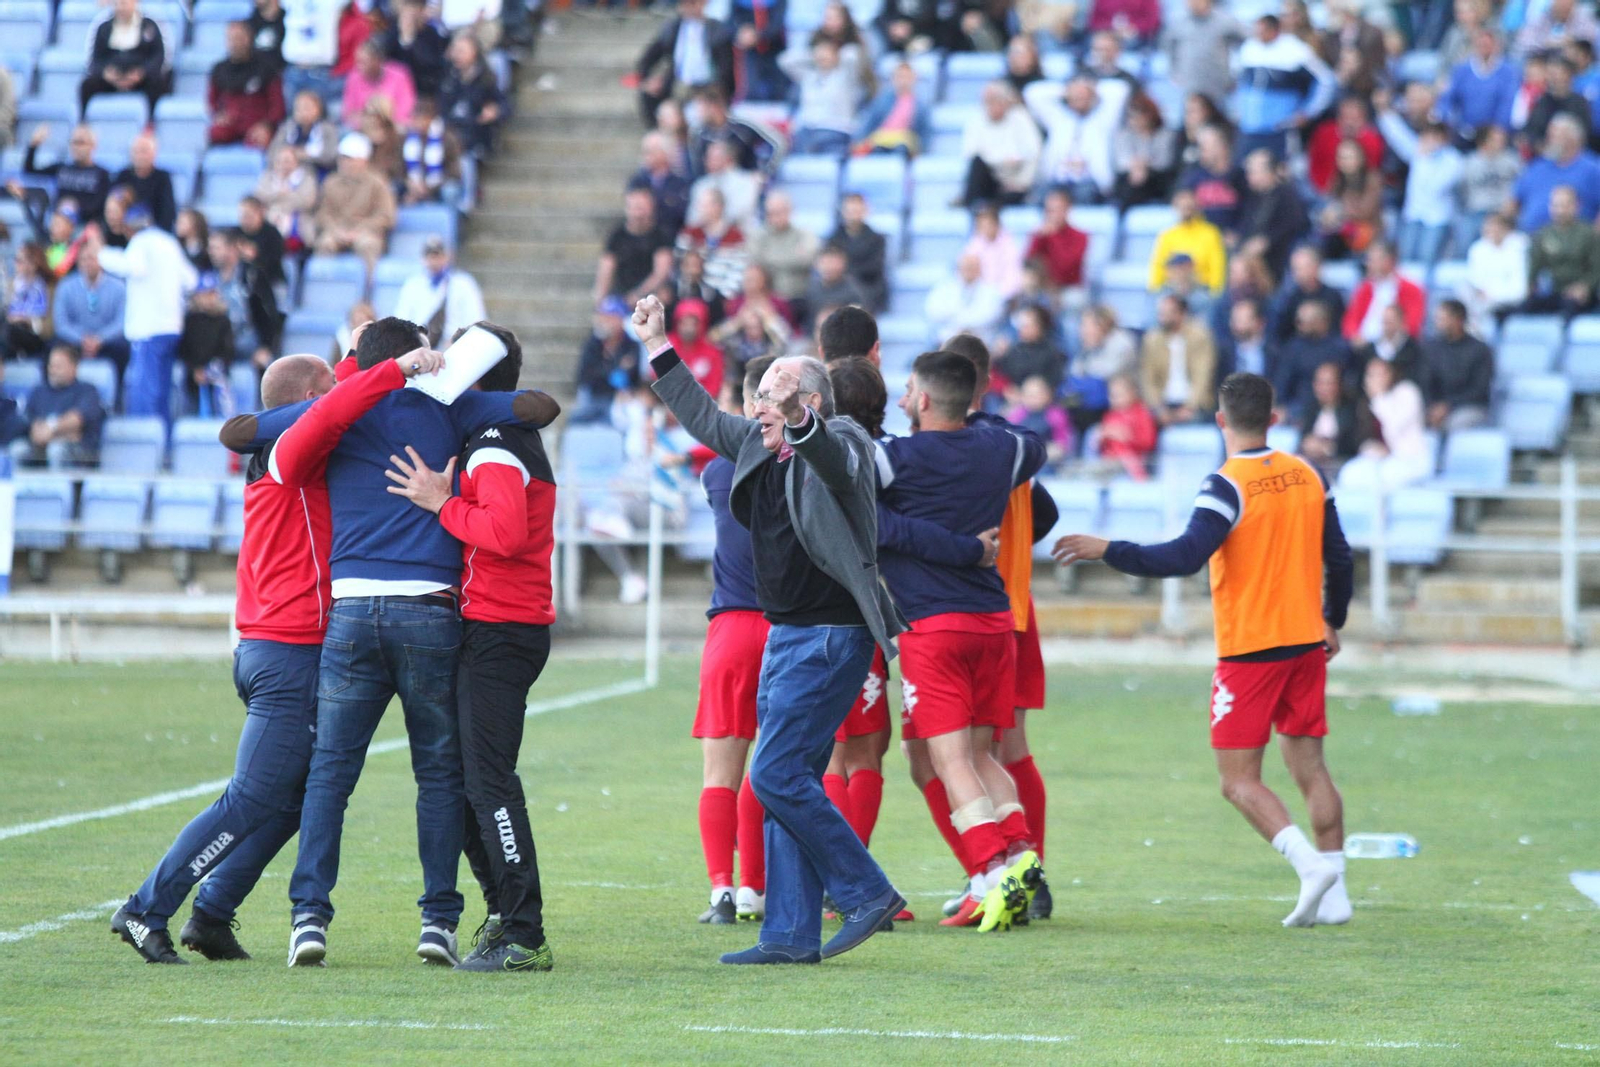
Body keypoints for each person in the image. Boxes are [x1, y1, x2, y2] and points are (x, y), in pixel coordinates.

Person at [227, 318, 560, 968]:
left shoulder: (335, 412)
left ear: (359, 363)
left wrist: (375, 380)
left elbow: (242, 434)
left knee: (330, 773)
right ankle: (438, 923)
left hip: (351, 610)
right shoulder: (450, 406)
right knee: (439, 775)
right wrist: (439, 379)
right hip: (430, 610)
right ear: (422, 359)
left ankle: (308, 919)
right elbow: (537, 407)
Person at [110, 350, 441, 963]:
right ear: (309, 400)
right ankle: (144, 909)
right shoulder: (292, 449)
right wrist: (397, 367)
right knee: (252, 798)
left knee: (295, 802)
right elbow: (337, 407)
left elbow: (336, 398)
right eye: (328, 384)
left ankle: (212, 914)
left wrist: (358, 351)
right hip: (287, 649)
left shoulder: (289, 446)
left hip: (278, 644)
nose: (339, 389)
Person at [635, 293, 907, 965]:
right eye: (759, 395)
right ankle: (788, 935)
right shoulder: (757, 445)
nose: (758, 403)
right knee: (792, 779)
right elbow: (700, 414)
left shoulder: (843, 439)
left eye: (775, 395)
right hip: (786, 634)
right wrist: (657, 344)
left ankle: (866, 890)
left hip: (832, 635)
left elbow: (836, 463)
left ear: (808, 403)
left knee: (776, 773)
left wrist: (800, 420)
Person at [1052, 372, 1355, 929]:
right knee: (1311, 768)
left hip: (1251, 651)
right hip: (1306, 643)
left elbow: (1184, 556)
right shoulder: (1310, 473)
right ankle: (1337, 896)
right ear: (1274, 418)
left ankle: (1310, 866)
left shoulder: (1226, 485)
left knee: (1237, 780)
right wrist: (1332, 618)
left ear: (1220, 420)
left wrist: (1108, 548)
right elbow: (1339, 555)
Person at [381, 324, 559, 974]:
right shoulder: (495, 437)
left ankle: (524, 932)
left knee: (486, 781)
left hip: (502, 628)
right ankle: (506, 915)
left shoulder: (495, 443)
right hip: (495, 625)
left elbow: (504, 533)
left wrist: (441, 501)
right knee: (462, 785)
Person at [877, 350, 1048, 930]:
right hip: (995, 622)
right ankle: (1021, 854)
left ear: (924, 399)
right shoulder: (998, 448)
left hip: (934, 628)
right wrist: (980, 418)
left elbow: (868, 518)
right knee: (979, 754)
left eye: (908, 390)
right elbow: (1035, 445)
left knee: (947, 761)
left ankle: (991, 874)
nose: (902, 399)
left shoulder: (895, 458)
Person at [673, 354, 775, 924]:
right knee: (768, 768)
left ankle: (721, 893)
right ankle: (756, 887)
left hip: (732, 627)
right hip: (787, 626)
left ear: (745, 403)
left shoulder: (717, 471)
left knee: (720, 772)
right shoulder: (801, 468)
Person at [94, 207, 196, 426]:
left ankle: (145, 438)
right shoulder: (169, 242)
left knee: (145, 390)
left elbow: (133, 267)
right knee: (162, 390)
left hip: (149, 329)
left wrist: (100, 253)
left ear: (129, 228)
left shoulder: (141, 242)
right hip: (172, 327)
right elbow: (191, 280)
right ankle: (162, 438)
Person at [1232, 14, 1336, 161]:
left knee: (1280, 168)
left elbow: (1325, 80)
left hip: (1281, 128)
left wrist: (1309, 111)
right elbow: (1238, 82)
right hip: (1250, 128)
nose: (1258, 35)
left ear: (1274, 30)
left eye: (1262, 31)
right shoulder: (1248, 48)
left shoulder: (1295, 50)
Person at [1025, 75, 1127, 204]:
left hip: (1090, 182)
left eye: (1083, 97)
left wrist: (1089, 87)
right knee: (1039, 197)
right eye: (1075, 98)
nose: (1079, 101)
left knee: (1083, 196)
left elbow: (1120, 90)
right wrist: (1067, 89)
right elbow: (1032, 93)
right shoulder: (1059, 119)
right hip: (1057, 181)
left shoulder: (1103, 119)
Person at [633, 0, 735, 125]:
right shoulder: (673, 28)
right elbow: (649, 56)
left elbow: (726, 67)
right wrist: (649, 79)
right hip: (679, 85)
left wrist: (717, 90)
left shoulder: (716, 29)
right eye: (683, 3)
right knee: (658, 103)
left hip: (708, 87)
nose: (686, 7)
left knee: (702, 113)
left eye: (692, 3)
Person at [1340, 358, 1432, 490]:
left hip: (1411, 458)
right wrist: (1368, 446)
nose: (1375, 380)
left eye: (1380, 374)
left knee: (1384, 478)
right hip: (1382, 460)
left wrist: (1378, 398)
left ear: (1391, 373)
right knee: (1349, 474)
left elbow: (1395, 427)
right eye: (1371, 375)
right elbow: (1361, 435)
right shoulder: (1366, 401)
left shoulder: (1407, 391)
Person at [312, 133, 398, 274]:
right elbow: (323, 213)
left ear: (363, 160)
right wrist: (336, 230)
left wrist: (359, 230)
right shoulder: (331, 182)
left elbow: (386, 216)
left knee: (368, 245)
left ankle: (368, 286)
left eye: (349, 159)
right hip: (337, 231)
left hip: (366, 232)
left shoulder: (377, 183)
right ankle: (326, 285)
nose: (345, 163)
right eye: (342, 158)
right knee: (324, 244)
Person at [10, 345, 105, 469]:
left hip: (79, 451)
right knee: (18, 449)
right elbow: (28, 417)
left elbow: (78, 418)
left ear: (74, 367)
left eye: (58, 366)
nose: (53, 370)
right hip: (40, 445)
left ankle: (58, 482)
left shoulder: (87, 391)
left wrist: (51, 429)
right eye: (51, 365)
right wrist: (38, 431)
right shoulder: (39, 391)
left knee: (56, 450)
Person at [52, 244, 129, 387]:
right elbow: (61, 323)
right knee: (53, 346)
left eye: (92, 259)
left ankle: (119, 394)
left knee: (124, 347)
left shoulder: (118, 287)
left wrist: (100, 339)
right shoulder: (66, 286)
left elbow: (122, 322)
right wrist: (82, 339)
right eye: (83, 259)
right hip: (75, 341)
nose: (88, 263)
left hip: (107, 342)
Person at [960, 82, 1043, 208]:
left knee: (1011, 196)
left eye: (996, 100)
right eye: (988, 101)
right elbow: (970, 153)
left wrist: (1022, 182)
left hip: (1016, 182)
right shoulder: (976, 120)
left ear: (1006, 101)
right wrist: (1002, 161)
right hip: (989, 179)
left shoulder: (1021, 118)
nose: (992, 106)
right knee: (977, 165)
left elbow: (1034, 153)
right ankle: (970, 205)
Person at [81, 0, 170, 118]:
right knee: (87, 85)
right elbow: (96, 59)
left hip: (140, 79)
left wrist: (141, 73)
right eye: (116, 4)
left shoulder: (149, 26)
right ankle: (83, 121)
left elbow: (158, 56)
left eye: (123, 3)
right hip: (111, 79)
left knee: (158, 83)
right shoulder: (104, 28)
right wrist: (105, 73)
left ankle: (151, 122)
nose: (120, 8)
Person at [392, 235, 487, 346]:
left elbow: (476, 319)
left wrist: (458, 341)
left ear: (448, 257)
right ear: (423, 259)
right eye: (430, 257)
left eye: (438, 256)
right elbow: (402, 320)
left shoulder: (463, 284)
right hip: (420, 346)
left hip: (454, 346)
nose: (434, 261)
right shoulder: (413, 285)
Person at [1511, 115, 1600, 232]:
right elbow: (1514, 201)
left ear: (1574, 138)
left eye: (1555, 136)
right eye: (1549, 136)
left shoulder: (1593, 169)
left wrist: (1595, 236)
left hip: (1574, 238)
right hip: (1530, 235)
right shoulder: (1537, 166)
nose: (1549, 140)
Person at [1141, 293, 1217, 426]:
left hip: (1195, 404)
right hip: (1163, 403)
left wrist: (1190, 407)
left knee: (1195, 420)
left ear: (1181, 314)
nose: (1162, 317)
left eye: (1167, 313)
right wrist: (1159, 408)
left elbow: (1202, 376)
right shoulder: (1152, 339)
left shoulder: (1200, 336)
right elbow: (1147, 378)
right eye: (1161, 313)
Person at [777, 39, 861, 156]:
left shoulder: (845, 76)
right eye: (819, 53)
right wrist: (813, 55)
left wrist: (835, 53)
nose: (822, 56)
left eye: (827, 52)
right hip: (807, 130)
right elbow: (785, 60)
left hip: (836, 130)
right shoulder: (809, 76)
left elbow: (853, 54)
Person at [1421, 300, 1495, 432]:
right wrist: (1432, 407)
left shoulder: (1480, 350)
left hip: (1468, 407)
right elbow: (1424, 382)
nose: (1437, 323)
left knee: (1454, 425)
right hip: (1434, 406)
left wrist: (1448, 405)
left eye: (1442, 319)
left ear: (1458, 320)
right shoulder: (1431, 347)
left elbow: (1479, 390)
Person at [1525, 184, 1600, 315]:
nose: (1560, 211)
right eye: (1556, 205)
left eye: (1565, 205)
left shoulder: (1589, 234)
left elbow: (1596, 268)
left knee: (1570, 307)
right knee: (1525, 308)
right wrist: (1530, 286)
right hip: (1555, 292)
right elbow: (1534, 267)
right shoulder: (1543, 234)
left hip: (1582, 295)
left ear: (1576, 206)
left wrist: (1585, 286)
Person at [210, 20, 286, 148]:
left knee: (262, 138)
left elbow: (277, 105)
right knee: (216, 133)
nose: (235, 43)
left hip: (257, 123)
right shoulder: (219, 69)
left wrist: (267, 125)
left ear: (249, 38)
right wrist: (219, 115)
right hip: (231, 124)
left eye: (239, 38)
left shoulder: (266, 68)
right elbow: (212, 100)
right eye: (231, 39)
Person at [1237, 150, 1309, 280]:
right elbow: (1246, 225)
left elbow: (1293, 223)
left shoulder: (1286, 194)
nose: (1248, 176)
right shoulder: (1252, 196)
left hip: (1279, 251)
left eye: (1253, 172)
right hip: (1253, 248)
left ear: (1268, 172)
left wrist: (1267, 240)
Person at [1441, 29, 1520, 140]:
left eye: (1488, 45)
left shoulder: (1508, 72)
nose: (1484, 48)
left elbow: (1508, 103)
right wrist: (1447, 119)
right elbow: (1448, 97)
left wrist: (1498, 128)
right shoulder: (1462, 70)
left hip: (1492, 134)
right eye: (1481, 45)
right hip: (1462, 130)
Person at [23, 124, 111, 225]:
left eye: (81, 143)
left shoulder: (102, 174)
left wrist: (74, 210)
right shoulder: (62, 168)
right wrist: (34, 145)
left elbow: (101, 206)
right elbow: (30, 170)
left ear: (93, 145)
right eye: (73, 142)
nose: (76, 147)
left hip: (85, 226)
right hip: (59, 224)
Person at [573, 296, 641, 422]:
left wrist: (609, 371)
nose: (605, 322)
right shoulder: (593, 343)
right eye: (603, 317)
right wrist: (615, 369)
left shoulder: (631, 345)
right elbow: (584, 375)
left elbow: (633, 376)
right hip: (594, 395)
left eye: (611, 317)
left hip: (620, 398)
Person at [1343, 241, 1425, 343]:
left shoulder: (1410, 289)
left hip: (1393, 344)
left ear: (1388, 261)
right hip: (1362, 344)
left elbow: (1412, 325)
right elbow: (1350, 320)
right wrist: (1354, 336)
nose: (1368, 264)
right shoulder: (1365, 288)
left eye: (1373, 260)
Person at [1148, 189, 1226, 294]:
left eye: (1189, 207)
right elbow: (1159, 265)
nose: (1186, 211)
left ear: (1197, 208)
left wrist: (1215, 291)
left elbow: (1217, 266)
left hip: (1201, 288)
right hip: (1173, 288)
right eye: (1182, 207)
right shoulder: (1168, 235)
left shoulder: (1210, 233)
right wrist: (1155, 289)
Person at [439, 32, 505, 159]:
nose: (457, 55)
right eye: (455, 50)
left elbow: (504, 104)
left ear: (474, 53)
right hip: (449, 133)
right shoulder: (447, 75)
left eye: (462, 51)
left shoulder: (486, 79)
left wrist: (495, 111)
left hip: (475, 136)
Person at [1163, 0, 1242, 104]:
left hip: (1218, 83)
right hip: (1190, 83)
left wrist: (1235, 74)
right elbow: (1169, 48)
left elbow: (1246, 43)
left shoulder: (1225, 21)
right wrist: (1174, 73)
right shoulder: (1178, 23)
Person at [748, 191, 819, 305]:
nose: (775, 217)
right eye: (770, 213)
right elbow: (755, 261)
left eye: (779, 212)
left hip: (799, 298)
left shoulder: (804, 234)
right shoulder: (758, 236)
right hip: (767, 299)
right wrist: (793, 257)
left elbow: (807, 260)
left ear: (789, 211)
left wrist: (769, 259)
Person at [1462, 212, 1530, 328]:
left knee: (1480, 310)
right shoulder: (1478, 249)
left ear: (1506, 228)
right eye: (1488, 226)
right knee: (1463, 290)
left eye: (1495, 226)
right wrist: (1482, 293)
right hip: (1482, 299)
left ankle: (1474, 330)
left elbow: (1520, 289)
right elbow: (1475, 280)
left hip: (1508, 299)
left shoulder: (1520, 246)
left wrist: (1492, 295)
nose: (1491, 230)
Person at [1297, 361, 1363, 478]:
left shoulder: (1352, 409)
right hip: (1311, 465)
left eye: (1329, 383)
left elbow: (1352, 444)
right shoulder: (1311, 409)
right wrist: (1308, 444)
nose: (1324, 388)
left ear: (1340, 384)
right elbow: (1304, 438)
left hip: (1342, 467)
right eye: (1320, 383)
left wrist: (1328, 448)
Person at [1113, 93, 1179, 209]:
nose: (1136, 119)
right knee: (1127, 182)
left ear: (1150, 115)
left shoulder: (1165, 135)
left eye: (1140, 114)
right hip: (1131, 177)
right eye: (1132, 115)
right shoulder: (1124, 135)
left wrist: (1145, 165)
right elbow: (1121, 162)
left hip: (1156, 177)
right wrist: (1137, 166)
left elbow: (1165, 162)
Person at [854, 61, 932, 157]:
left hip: (903, 145)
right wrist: (859, 141)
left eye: (907, 77)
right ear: (894, 79)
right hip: (880, 142)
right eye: (900, 77)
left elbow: (924, 133)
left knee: (900, 150)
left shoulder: (921, 106)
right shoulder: (881, 101)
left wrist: (921, 151)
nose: (903, 81)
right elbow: (869, 123)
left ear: (914, 79)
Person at [827, 193, 888, 312]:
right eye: (851, 211)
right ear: (843, 212)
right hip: (838, 287)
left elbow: (874, 267)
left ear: (865, 211)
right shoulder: (834, 239)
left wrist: (844, 271)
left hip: (867, 287)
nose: (854, 215)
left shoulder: (877, 239)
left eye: (857, 211)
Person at [925, 252, 1004, 343]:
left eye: (973, 267)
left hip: (982, 340)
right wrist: (968, 318)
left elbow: (989, 316)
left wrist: (958, 319)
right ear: (958, 268)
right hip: (948, 339)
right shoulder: (943, 288)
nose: (969, 270)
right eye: (966, 267)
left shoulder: (991, 291)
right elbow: (933, 312)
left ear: (980, 269)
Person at [1025, 187, 1089, 296]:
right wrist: (1039, 239)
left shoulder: (1080, 237)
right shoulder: (1040, 235)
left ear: (1068, 209)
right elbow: (1028, 263)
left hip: (1068, 287)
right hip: (1044, 287)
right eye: (1049, 210)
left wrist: (1052, 236)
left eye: (1057, 209)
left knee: (1074, 299)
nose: (1053, 215)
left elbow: (1066, 268)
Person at [256, 144, 320, 253]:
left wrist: (282, 197)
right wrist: (281, 194)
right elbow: (259, 199)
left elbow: (308, 202)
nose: (283, 165)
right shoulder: (266, 178)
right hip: (272, 219)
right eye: (279, 161)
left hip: (300, 223)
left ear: (296, 162)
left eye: (287, 161)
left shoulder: (307, 179)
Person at [111, 134, 178, 234]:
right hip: (123, 232)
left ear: (154, 153)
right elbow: (113, 205)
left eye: (144, 151)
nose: (139, 156)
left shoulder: (163, 178)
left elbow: (168, 213)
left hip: (154, 233)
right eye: (136, 151)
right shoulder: (123, 176)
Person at [342, 38, 416, 127]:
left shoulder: (400, 76)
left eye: (363, 62)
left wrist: (385, 124)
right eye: (358, 62)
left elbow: (406, 109)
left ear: (377, 60)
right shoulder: (354, 78)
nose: (358, 67)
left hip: (394, 128)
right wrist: (369, 123)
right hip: (363, 128)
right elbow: (349, 113)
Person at [687, 142, 760, 230]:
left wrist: (713, 216)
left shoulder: (747, 182)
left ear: (728, 159)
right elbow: (692, 217)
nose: (707, 161)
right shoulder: (701, 185)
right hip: (705, 234)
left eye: (714, 158)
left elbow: (740, 212)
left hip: (740, 232)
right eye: (707, 157)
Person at [270, 90, 341, 175]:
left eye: (307, 108)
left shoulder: (328, 129)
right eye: (298, 108)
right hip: (287, 173)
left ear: (318, 109)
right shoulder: (287, 127)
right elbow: (272, 152)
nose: (302, 112)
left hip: (318, 173)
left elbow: (331, 156)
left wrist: (305, 154)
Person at [387, 0, 449, 97]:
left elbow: (430, 64)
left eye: (416, 9)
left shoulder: (432, 34)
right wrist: (404, 37)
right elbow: (387, 57)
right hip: (394, 88)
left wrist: (410, 39)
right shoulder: (394, 31)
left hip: (421, 89)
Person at [1, 243, 52, 361]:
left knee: (9, 331)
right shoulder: (12, 285)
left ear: (33, 264)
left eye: (20, 261)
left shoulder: (48, 287)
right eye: (16, 260)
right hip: (12, 329)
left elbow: (49, 326)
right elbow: (7, 311)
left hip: (35, 335)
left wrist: (28, 320)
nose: (16, 264)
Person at [1354, 303, 1420, 385]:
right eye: (1385, 320)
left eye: (1391, 320)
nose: (1387, 324)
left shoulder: (1412, 349)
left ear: (1401, 321)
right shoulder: (1371, 349)